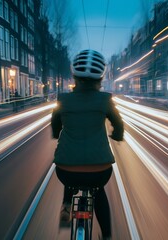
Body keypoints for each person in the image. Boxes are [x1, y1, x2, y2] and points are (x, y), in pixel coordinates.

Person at [51, 49, 124, 239]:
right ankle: (107, 235)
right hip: (100, 170)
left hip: (65, 170)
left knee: (71, 176)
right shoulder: (105, 100)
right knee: (99, 192)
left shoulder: (63, 100)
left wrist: (56, 132)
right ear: (100, 79)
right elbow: (119, 125)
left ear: (74, 76)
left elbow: (55, 125)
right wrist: (116, 135)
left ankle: (67, 206)